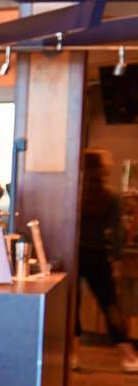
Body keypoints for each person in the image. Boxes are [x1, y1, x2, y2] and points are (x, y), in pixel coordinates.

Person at [79, 148, 138, 372]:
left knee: (70, 306)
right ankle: (129, 356)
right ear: (100, 168)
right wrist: (116, 259)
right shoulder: (110, 197)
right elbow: (118, 234)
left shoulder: (76, 194)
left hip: (74, 254)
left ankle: (73, 355)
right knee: (110, 304)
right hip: (97, 255)